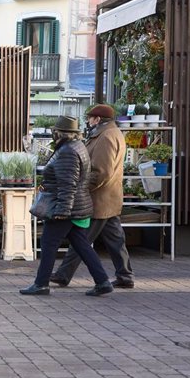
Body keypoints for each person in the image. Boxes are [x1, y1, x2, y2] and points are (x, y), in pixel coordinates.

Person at [20, 116, 114, 297]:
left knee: (48, 244)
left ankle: (41, 284)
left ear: (59, 133)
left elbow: (67, 184)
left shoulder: (67, 152)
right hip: (75, 206)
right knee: (82, 245)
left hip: (65, 206)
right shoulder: (76, 147)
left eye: (54, 132)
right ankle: (102, 281)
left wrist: (62, 211)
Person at [50, 104, 135, 289]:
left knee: (80, 238)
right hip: (108, 198)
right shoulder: (109, 133)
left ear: (98, 119)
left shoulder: (106, 137)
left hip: (99, 198)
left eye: (90, 117)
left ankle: (64, 274)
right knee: (115, 239)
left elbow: (101, 171)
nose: (88, 121)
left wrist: (82, 188)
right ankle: (125, 275)